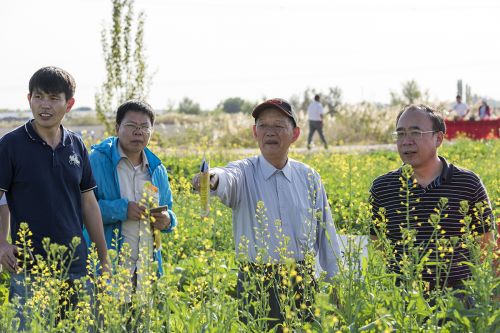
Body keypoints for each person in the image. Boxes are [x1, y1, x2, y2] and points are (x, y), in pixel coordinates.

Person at [191, 98, 340, 330]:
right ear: (255, 132)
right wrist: (211, 178)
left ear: (295, 134)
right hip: (256, 282)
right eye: (263, 125)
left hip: (302, 279)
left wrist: (336, 283)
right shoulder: (244, 171)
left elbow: (326, 232)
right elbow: (226, 177)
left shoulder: (309, 177)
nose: (270, 132)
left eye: (279, 126)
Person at [0, 66, 109, 326]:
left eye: (53, 98)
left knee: (80, 327)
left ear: (68, 104)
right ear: (29, 99)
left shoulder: (77, 144)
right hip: (29, 266)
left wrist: (103, 258)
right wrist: (2, 244)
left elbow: (89, 203)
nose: (44, 105)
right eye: (38, 97)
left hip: (77, 264)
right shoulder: (11, 145)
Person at [370, 104, 494, 293]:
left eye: (415, 133)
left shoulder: (468, 183)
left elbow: (485, 241)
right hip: (402, 305)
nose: (406, 141)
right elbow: (377, 244)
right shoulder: (382, 188)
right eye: (400, 134)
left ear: (438, 138)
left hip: (457, 305)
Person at [83, 100, 176, 292]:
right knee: (104, 321)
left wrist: (167, 221)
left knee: (142, 322)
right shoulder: (97, 161)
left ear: (152, 131)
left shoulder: (157, 169)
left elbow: (168, 209)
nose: (138, 132)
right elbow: (80, 207)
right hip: (108, 268)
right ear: (117, 128)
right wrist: (121, 209)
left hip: (145, 270)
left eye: (144, 127)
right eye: (131, 126)